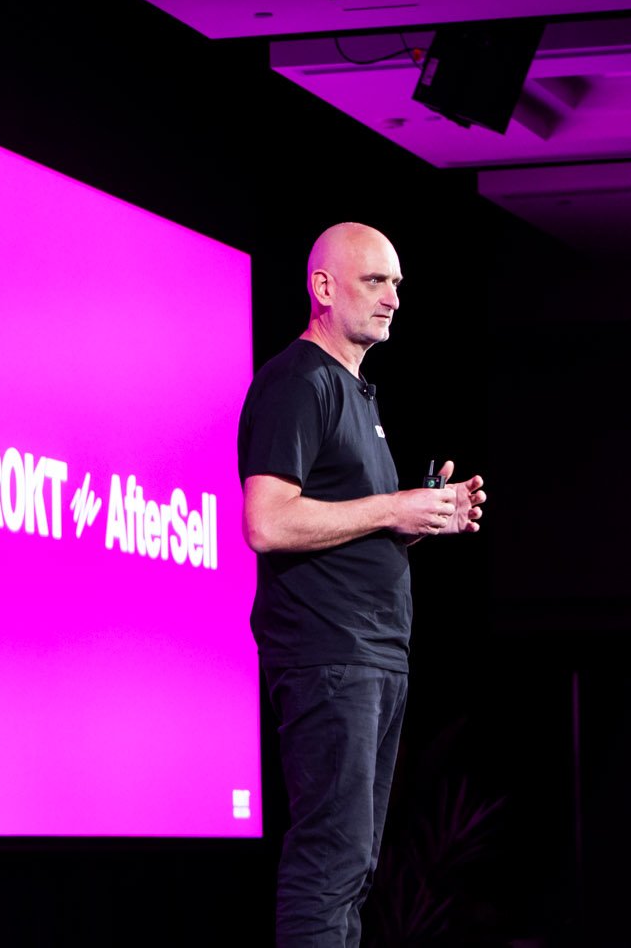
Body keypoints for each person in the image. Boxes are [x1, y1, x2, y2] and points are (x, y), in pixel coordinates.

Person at [237, 223, 486, 948]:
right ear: (323, 288)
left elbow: (348, 528)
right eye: (377, 281)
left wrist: (422, 519)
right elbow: (267, 521)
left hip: (372, 654)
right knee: (329, 863)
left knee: (354, 865)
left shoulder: (355, 392)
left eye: (398, 284)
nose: (394, 298)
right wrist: (393, 506)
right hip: (329, 654)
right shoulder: (299, 382)